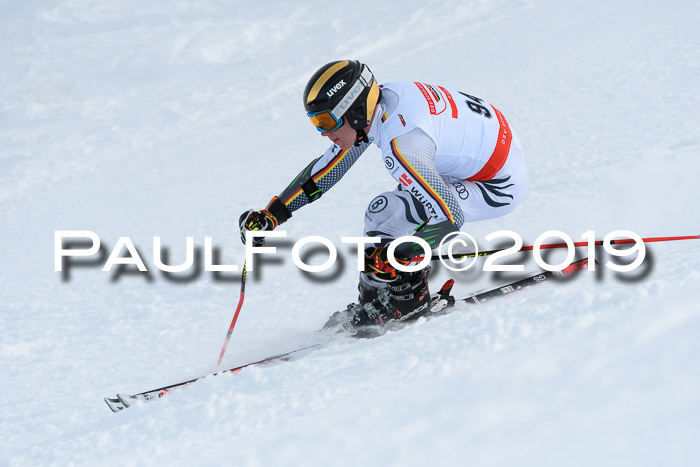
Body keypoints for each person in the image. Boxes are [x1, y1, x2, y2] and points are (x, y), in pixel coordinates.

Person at [239, 60, 527, 332]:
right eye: (316, 122)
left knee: (392, 217)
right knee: (384, 214)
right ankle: (376, 299)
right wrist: (273, 214)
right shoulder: (380, 103)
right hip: (479, 156)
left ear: (354, 110)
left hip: (495, 185)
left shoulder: (403, 143)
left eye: (327, 121)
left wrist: (401, 255)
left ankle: (407, 302)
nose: (323, 133)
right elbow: (329, 168)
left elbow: (451, 216)